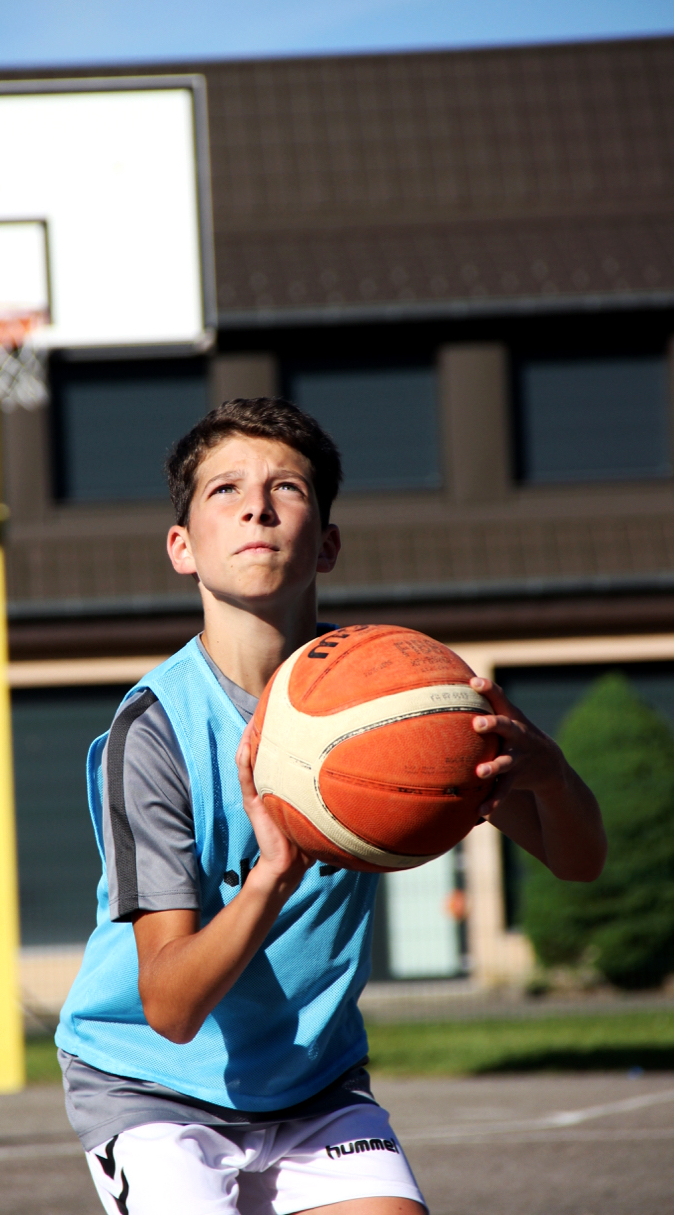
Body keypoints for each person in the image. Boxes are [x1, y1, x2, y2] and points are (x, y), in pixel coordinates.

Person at [56, 398, 607, 1215]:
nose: (256, 505)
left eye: (286, 487)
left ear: (328, 542)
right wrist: (270, 880)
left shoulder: (402, 700)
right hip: (152, 1085)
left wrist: (548, 774)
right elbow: (169, 1007)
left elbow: (579, 861)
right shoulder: (156, 729)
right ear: (182, 548)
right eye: (224, 490)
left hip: (314, 1083)